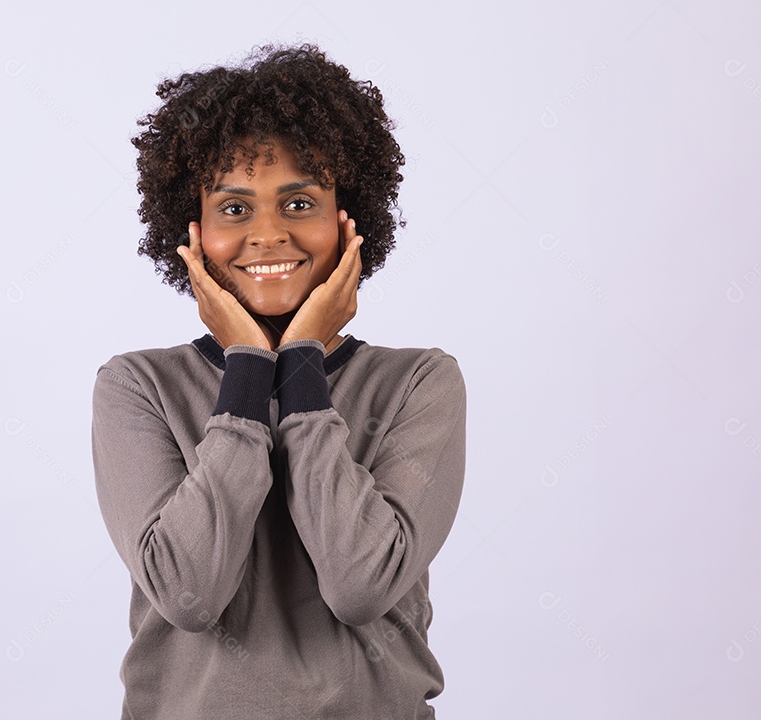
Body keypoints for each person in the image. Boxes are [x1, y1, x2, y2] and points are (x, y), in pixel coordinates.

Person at [91, 42, 466, 719]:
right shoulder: (138, 386)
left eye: (299, 202)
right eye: (235, 209)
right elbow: (189, 595)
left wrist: (300, 370)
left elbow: (360, 585)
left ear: (349, 221)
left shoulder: (417, 382)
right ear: (194, 231)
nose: (268, 233)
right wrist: (246, 374)